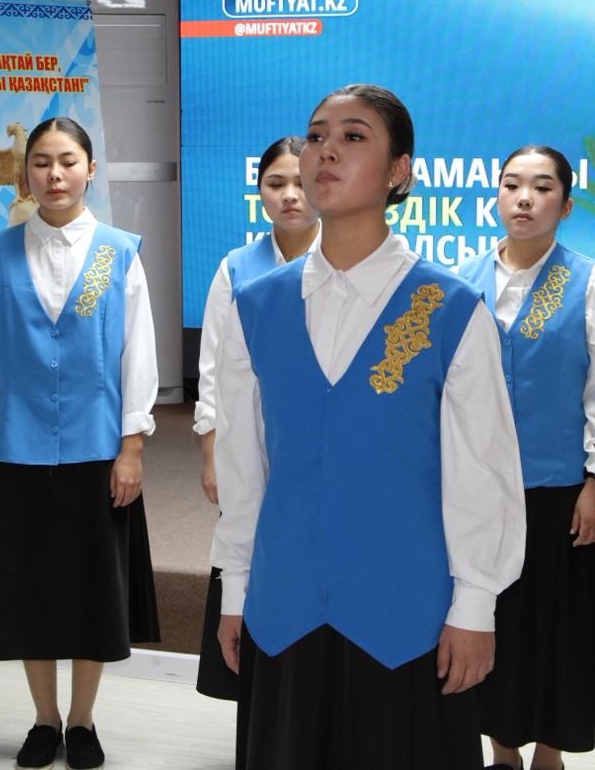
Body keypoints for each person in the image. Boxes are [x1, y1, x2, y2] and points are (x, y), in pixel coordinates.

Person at [212, 84, 526, 770]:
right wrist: (235, 588)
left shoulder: (449, 308)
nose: (325, 150)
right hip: (285, 607)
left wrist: (476, 605)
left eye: (353, 136)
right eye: (316, 135)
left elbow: (483, 469)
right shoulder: (255, 306)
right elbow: (242, 463)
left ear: (399, 171)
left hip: (404, 618)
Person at [0, 117, 161, 770]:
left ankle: (82, 720)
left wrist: (132, 447)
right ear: (26, 173)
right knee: (30, 592)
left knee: (90, 593)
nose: (55, 174)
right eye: (42, 162)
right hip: (16, 450)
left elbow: (138, 356)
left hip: (96, 450)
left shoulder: (117, 253)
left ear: (90, 170)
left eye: (68, 161)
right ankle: (44, 719)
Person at [458, 144, 595, 770]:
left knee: (557, 625)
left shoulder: (591, 282)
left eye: (541, 187)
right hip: (475, 487)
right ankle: (502, 749)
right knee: (488, 615)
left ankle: (550, 753)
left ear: (566, 204)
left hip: (558, 489)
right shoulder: (459, 281)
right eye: (511, 185)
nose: (524, 199)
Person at [193, 135, 320, 700]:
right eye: (276, 184)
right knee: (249, 556)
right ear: (259, 192)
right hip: (249, 445)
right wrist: (212, 453)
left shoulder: (346, 260)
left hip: (318, 448)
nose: (290, 195)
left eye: (301, 182)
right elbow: (212, 369)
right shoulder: (236, 268)